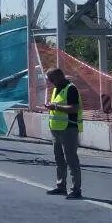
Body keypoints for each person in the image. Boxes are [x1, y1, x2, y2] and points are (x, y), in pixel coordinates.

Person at [44, 67, 83, 199]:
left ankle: (76, 189)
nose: (50, 82)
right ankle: (61, 186)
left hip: (68, 128)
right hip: (56, 129)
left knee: (71, 159)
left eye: (51, 79)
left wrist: (55, 107)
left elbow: (74, 108)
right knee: (59, 158)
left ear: (59, 77)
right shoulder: (56, 89)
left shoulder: (71, 88)